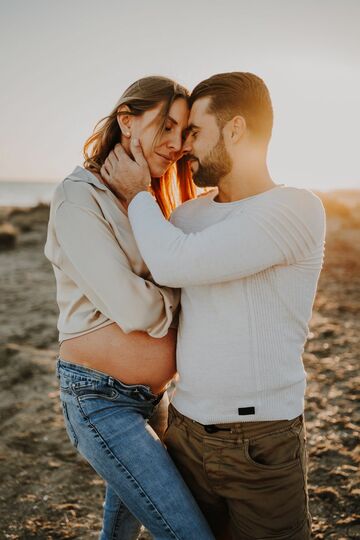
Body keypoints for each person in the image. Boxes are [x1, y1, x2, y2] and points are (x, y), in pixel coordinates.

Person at [101, 72, 326, 540]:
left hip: (261, 442)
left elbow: (172, 263)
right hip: (185, 432)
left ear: (236, 129)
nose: (184, 147)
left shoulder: (295, 209)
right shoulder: (188, 215)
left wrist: (138, 193)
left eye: (195, 132)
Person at [44, 75, 214, 540]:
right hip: (99, 401)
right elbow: (137, 311)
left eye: (185, 132)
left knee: (120, 532)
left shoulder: (151, 199)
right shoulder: (77, 197)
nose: (178, 144)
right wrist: (177, 298)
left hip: (154, 401)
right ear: (126, 120)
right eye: (167, 127)